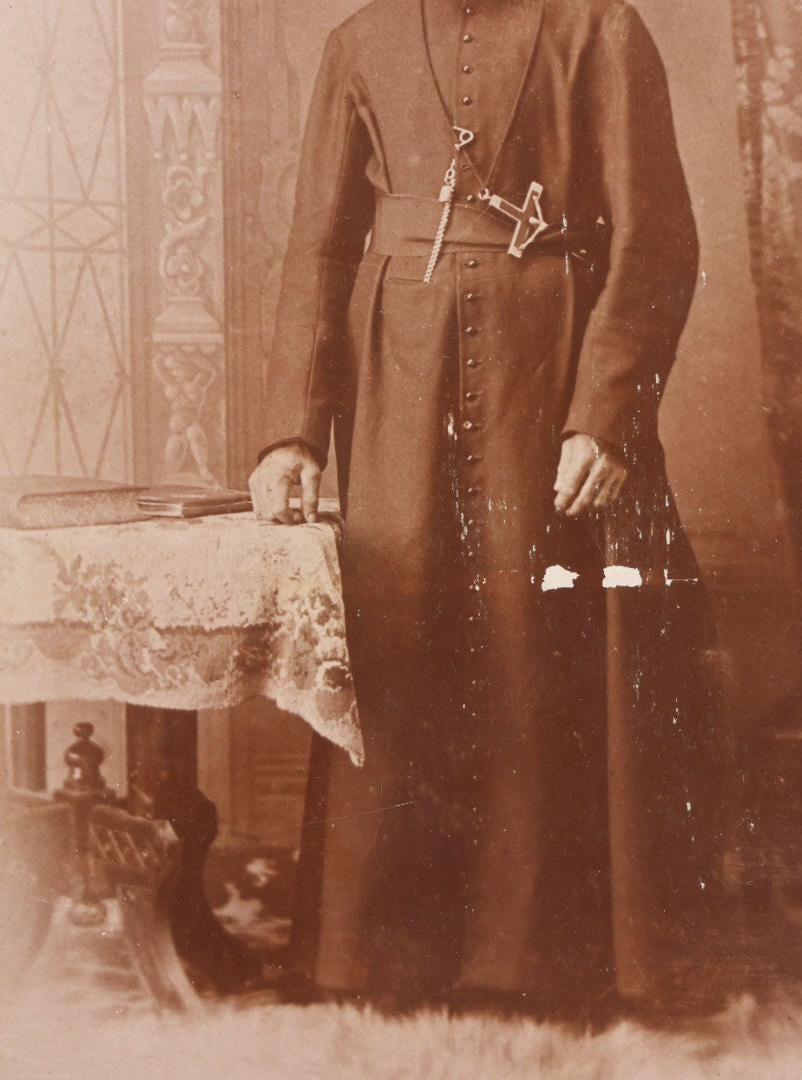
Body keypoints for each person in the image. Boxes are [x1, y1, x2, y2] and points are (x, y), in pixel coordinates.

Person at [249, 0, 726, 1024]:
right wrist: (291, 429)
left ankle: (531, 962)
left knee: (534, 651)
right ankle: (376, 950)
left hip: (545, 377)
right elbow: (317, 250)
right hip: (394, 383)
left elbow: (653, 237)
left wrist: (603, 417)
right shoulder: (357, 42)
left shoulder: (600, 30)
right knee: (391, 648)